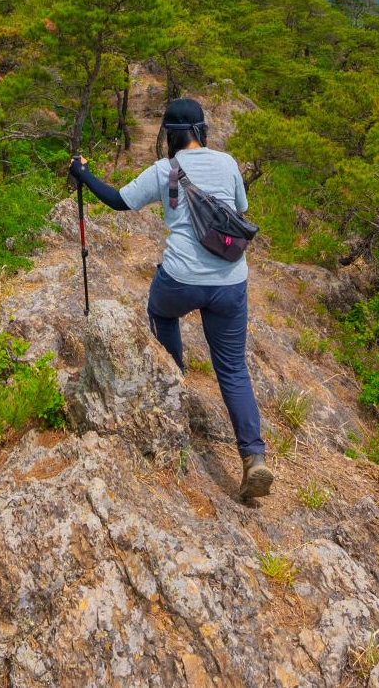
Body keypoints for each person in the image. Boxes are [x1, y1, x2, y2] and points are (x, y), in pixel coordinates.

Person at [68, 97, 273, 501]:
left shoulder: (166, 170)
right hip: (231, 281)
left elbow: (118, 199)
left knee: (160, 312)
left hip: (179, 280)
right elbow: (240, 210)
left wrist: (83, 173)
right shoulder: (229, 163)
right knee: (232, 367)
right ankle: (254, 457)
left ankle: (174, 379)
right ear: (201, 132)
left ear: (170, 135)